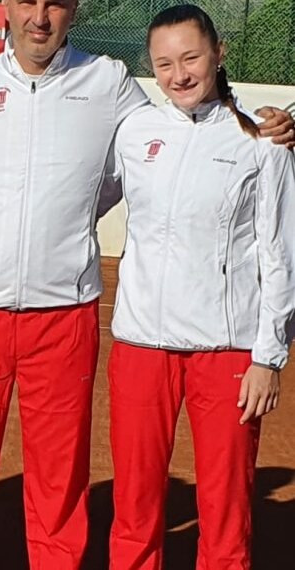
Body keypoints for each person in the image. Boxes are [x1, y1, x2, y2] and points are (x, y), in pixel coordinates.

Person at [0, 0, 293, 567]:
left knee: (59, 480)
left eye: (54, 3)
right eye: (28, 2)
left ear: (72, 10)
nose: (39, 17)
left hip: (65, 313)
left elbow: (180, 129)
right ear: (7, 7)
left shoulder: (110, 82)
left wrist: (257, 120)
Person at [104, 5, 295, 569]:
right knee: (134, 511)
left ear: (218, 54)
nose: (179, 74)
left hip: (227, 352)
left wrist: (269, 355)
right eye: (164, 63)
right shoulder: (135, 130)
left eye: (190, 57)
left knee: (226, 513)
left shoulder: (262, 142)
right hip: (140, 349)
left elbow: (279, 254)